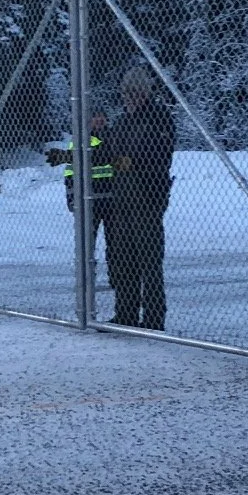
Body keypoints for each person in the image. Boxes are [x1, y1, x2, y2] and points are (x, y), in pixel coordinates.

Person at [105, 65, 174, 330]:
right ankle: (126, 313)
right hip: (121, 197)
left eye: (135, 93)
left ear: (145, 93)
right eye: (126, 93)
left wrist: (128, 162)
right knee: (124, 259)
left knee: (149, 261)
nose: (129, 98)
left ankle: (154, 318)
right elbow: (110, 153)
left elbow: (160, 154)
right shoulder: (122, 122)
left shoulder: (158, 117)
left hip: (147, 195)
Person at [58, 110, 114, 285]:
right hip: (88, 200)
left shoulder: (116, 138)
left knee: (116, 242)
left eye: (101, 117)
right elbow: (70, 172)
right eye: (95, 117)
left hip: (113, 199)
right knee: (86, 242)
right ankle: (87, 278)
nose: (99, 120)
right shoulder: (80, 141)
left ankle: (118, 277)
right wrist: (72, 198)